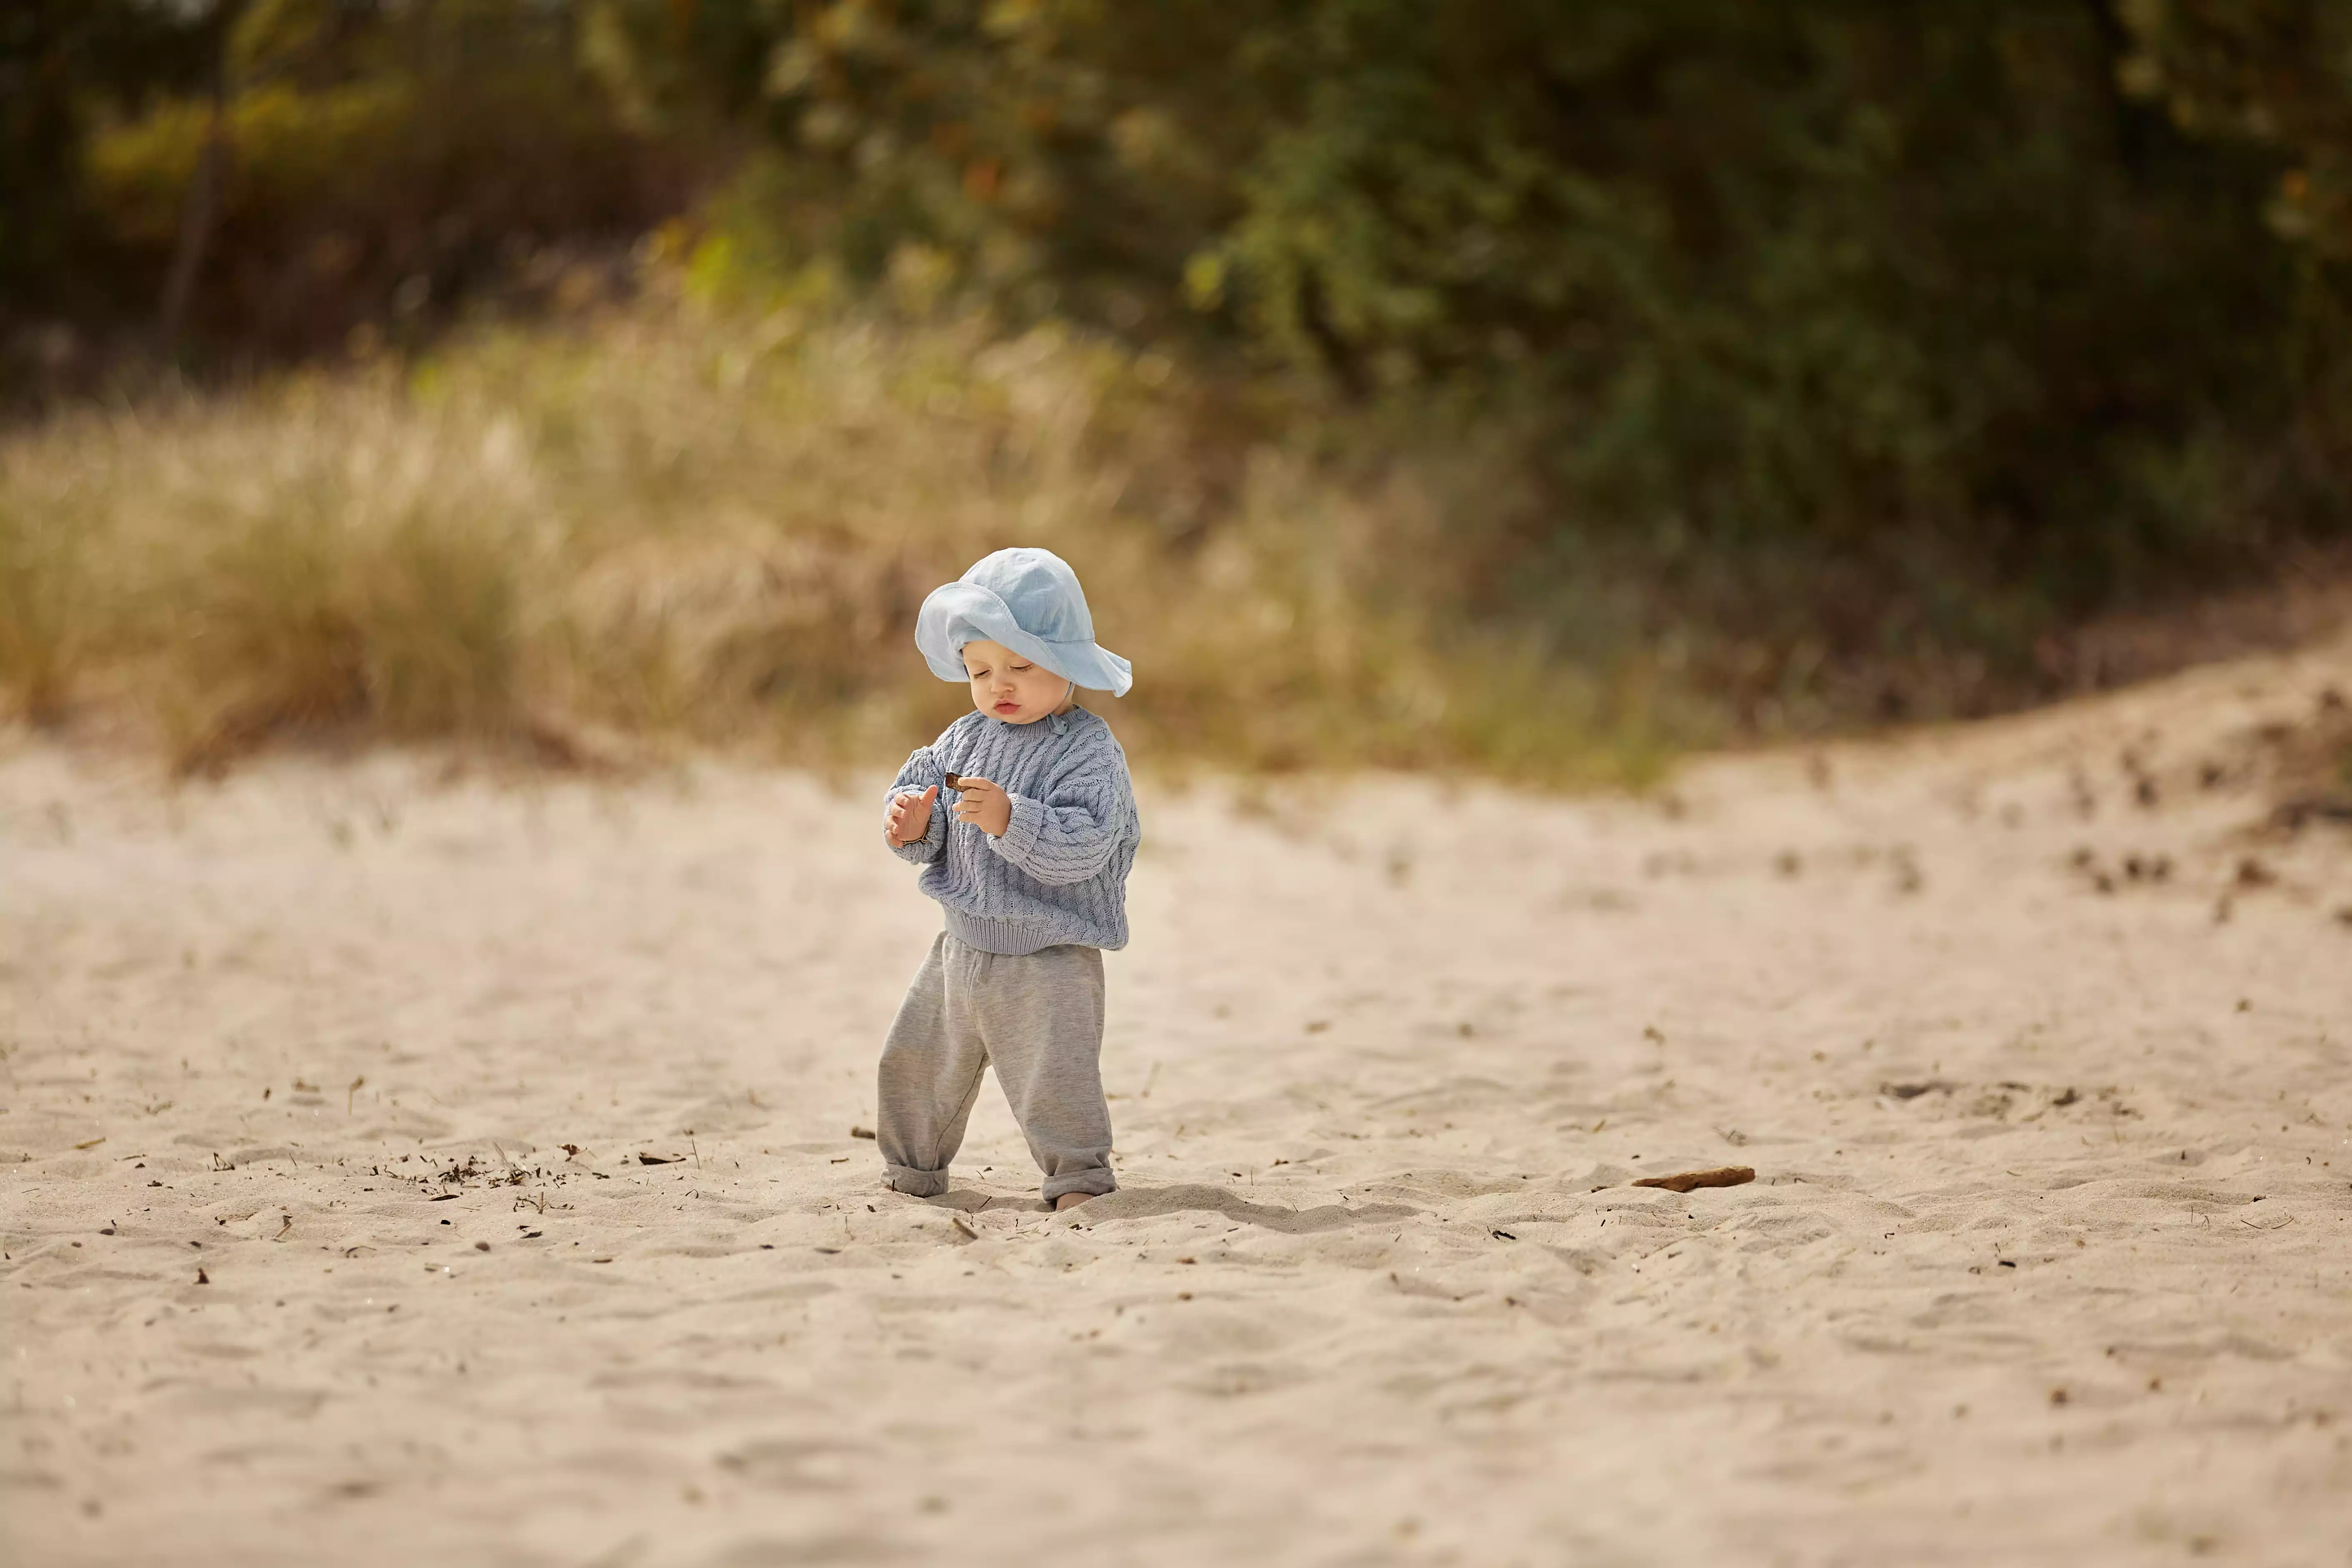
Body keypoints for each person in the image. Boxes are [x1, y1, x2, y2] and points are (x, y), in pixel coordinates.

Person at [876, 547, 1140, 1210]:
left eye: (1021, 666)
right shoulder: (961, 739)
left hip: (1047, 959)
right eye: (980, 670)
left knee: (1056, 1079)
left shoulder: (1087, 750)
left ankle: (1078, 1177)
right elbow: (928, 805)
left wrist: (1010, 818)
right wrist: (911, 823)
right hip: (960, 947)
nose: (1000, 685)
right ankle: (911, 1168)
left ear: (1068, 660)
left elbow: (1086, 844)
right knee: (917, 1064)